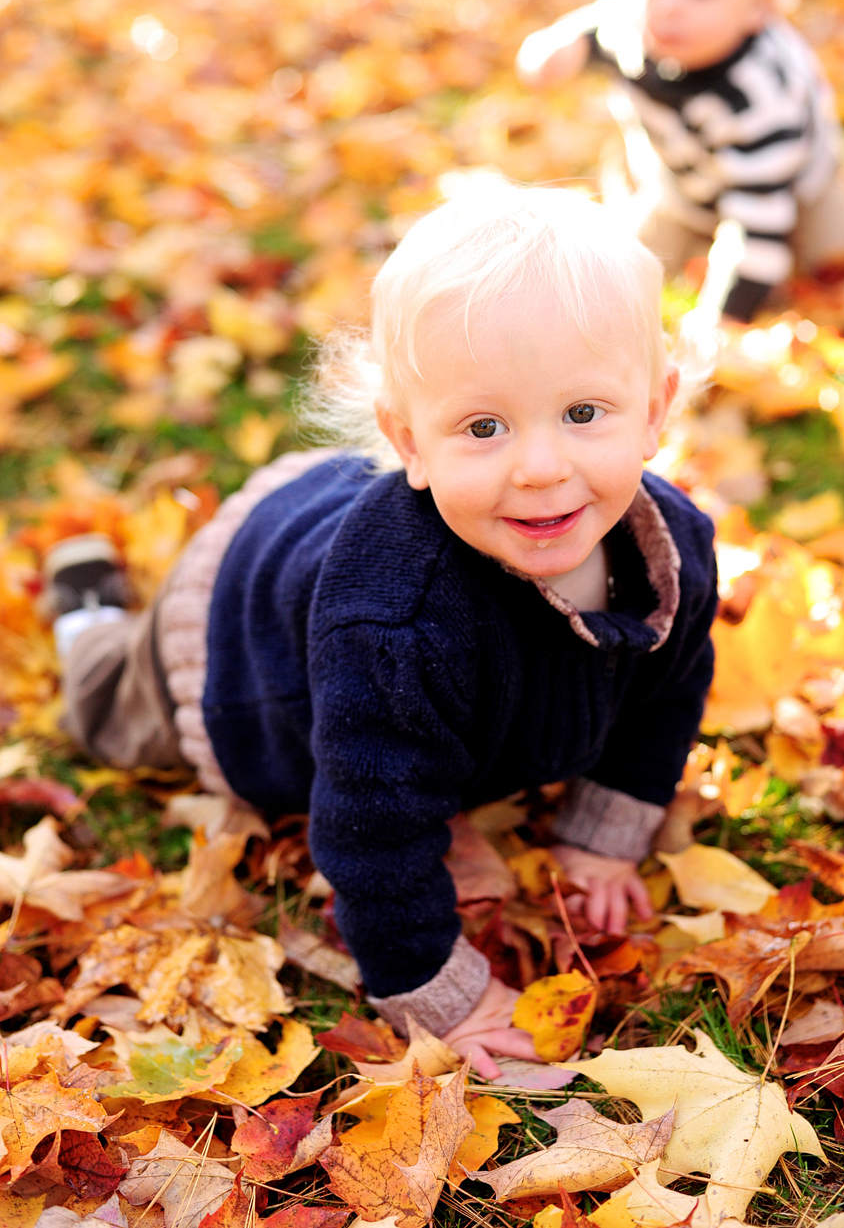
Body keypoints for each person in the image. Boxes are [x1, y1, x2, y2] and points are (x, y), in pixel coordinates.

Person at [47, 183, 718, 1078]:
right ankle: (88, 605)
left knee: (435, 736)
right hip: (237, 628)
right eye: (484, 426)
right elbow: (371, 828)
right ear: (409, 438)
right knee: (109, 709)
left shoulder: (671, 556)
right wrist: (444, 990)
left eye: (584, 413)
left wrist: (604, 830)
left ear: (655, 407)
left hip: (355, 565)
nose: (542, 467)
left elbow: (665, 692)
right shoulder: (397, 620)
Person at [516, 0, 844, 326]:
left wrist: (722, 321)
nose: (668, 6)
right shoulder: (639, 25)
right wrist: (555, 51)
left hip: (790, 189)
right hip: (677, 187)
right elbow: (594, 30)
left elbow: (758, 226)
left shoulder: (759, 100)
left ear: (758, 6)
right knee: (626, 268)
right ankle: (690, 242)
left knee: (833, 258)